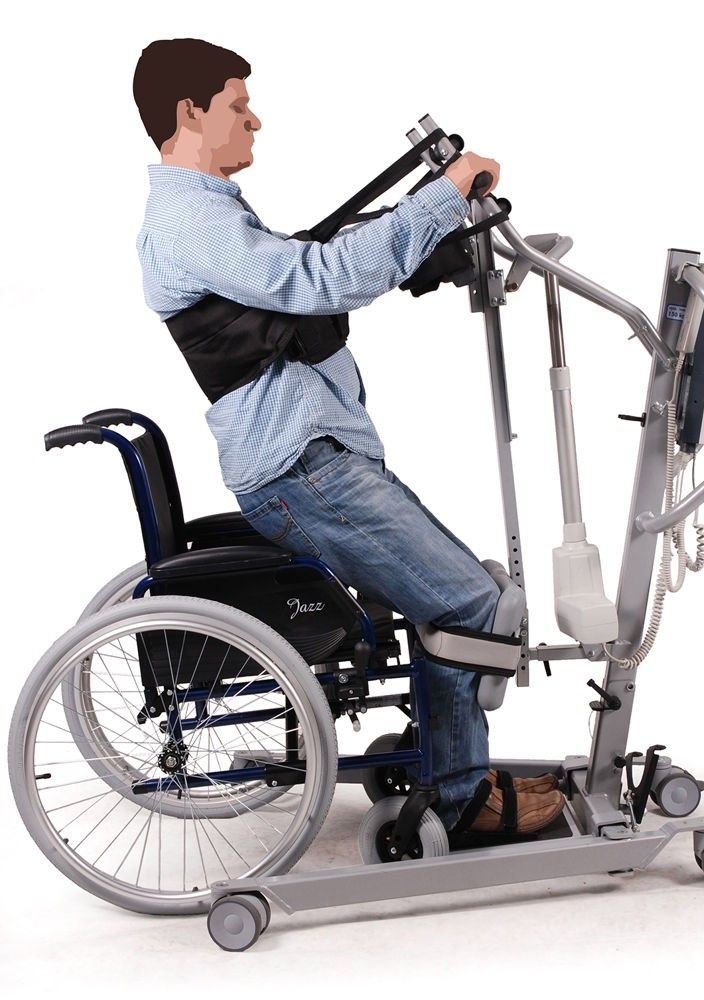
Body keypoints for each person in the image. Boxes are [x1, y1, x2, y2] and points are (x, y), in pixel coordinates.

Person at [132, 37, 565, 836]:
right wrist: (438, 200)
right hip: (304, 469)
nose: (254, 120)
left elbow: (307, 270)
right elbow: (317, 278)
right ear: (188, 111)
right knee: (469, 602)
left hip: (315, 458)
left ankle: (447, 763)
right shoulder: (190, 219)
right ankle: (462, 799)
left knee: (462, 591)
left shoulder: (210, 215)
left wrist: (420, 241)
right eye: (237, 104)